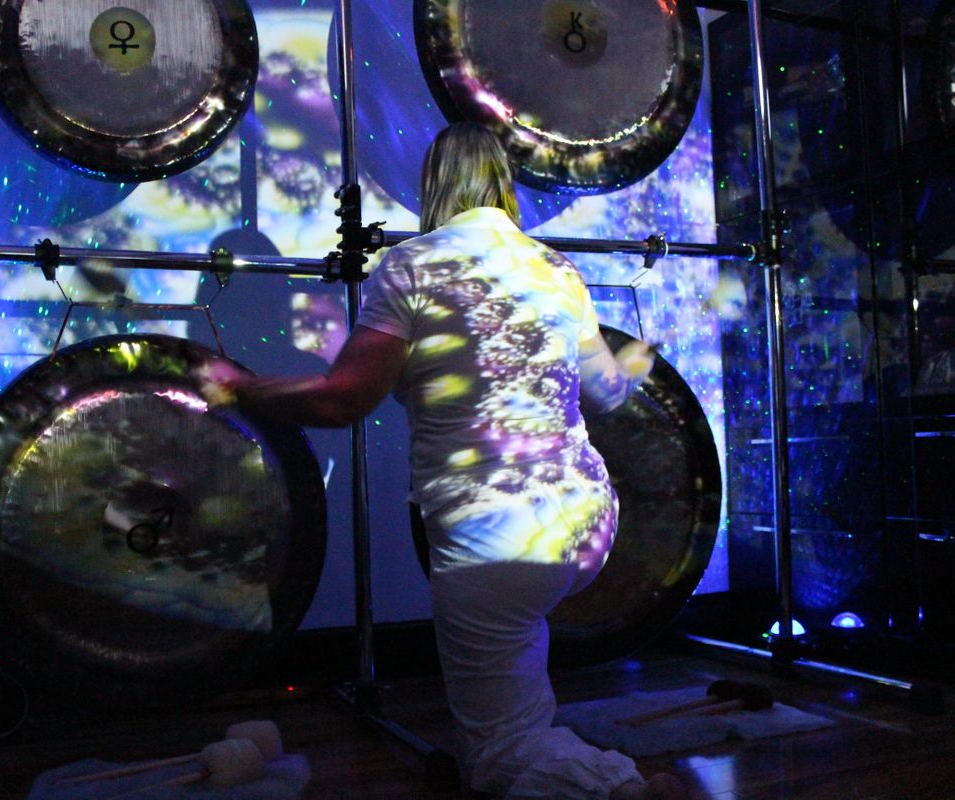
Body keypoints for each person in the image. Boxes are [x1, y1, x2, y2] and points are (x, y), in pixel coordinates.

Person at [196, 123, 683, 800]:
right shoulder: (556, 268)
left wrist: (242, 387)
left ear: (434, 185)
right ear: (503, 184)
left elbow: (343, 400)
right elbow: (606, 389)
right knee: (521, 649)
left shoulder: (413, 265)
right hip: (588, 520)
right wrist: (638, 356)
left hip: (500, 536)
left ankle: (623, 788)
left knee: (498, 752)